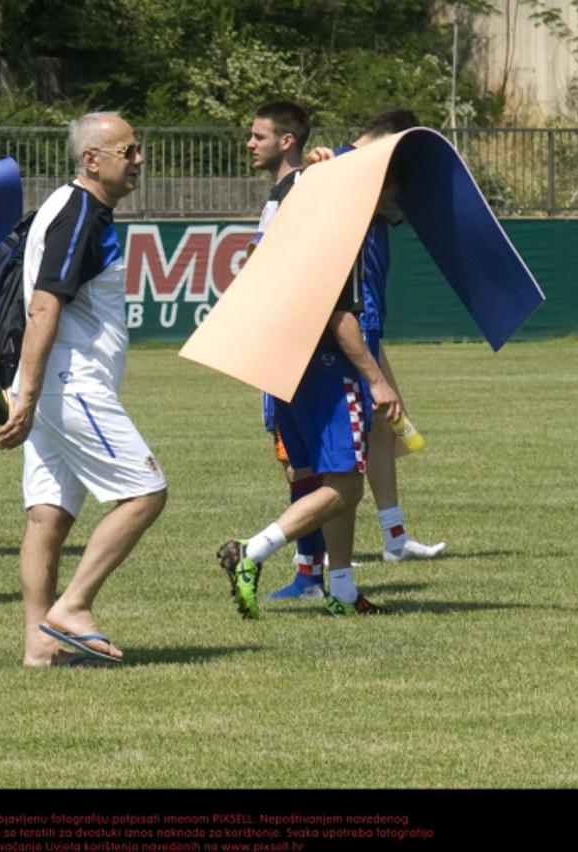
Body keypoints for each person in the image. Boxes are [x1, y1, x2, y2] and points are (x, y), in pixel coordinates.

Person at [0, 112, 168, 666]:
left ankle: (38, 645)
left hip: (49, 387)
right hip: (69, 384)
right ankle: (72, 607)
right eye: (129, 150)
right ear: (92, 160)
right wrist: (29, 393)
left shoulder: (71, 208)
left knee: (47, 516)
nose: (139, 160)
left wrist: (28, 391)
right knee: (145, 492)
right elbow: (45, 304)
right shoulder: (81, 214)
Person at [219, 154, 408, 617]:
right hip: (328, 372)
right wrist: (378, 381)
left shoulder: (292, 226)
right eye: (389, 187)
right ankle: (253, 551)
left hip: (290, 370)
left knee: (328, 478)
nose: (395, 197)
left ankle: (341, 588)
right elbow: (339, 315)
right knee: (345, 487)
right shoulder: (335, 233)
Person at [327, 108, 446, 564]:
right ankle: (325, 552)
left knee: (380, 429)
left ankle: (394, 536)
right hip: (353, 316)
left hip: (371, 315)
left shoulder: (372, 176)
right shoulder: (339, 169)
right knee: (347, 436)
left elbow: (408, 207)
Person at [241, 101, 331, 601]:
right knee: (293, 460)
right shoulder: (278, 195)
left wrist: (324, 166)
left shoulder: (304, 186)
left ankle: (312, 576)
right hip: (273, 343)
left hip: (295, 349)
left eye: (259, 136)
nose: (250, 143)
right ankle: (308, 572)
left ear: (287, 141)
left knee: (304, 461)